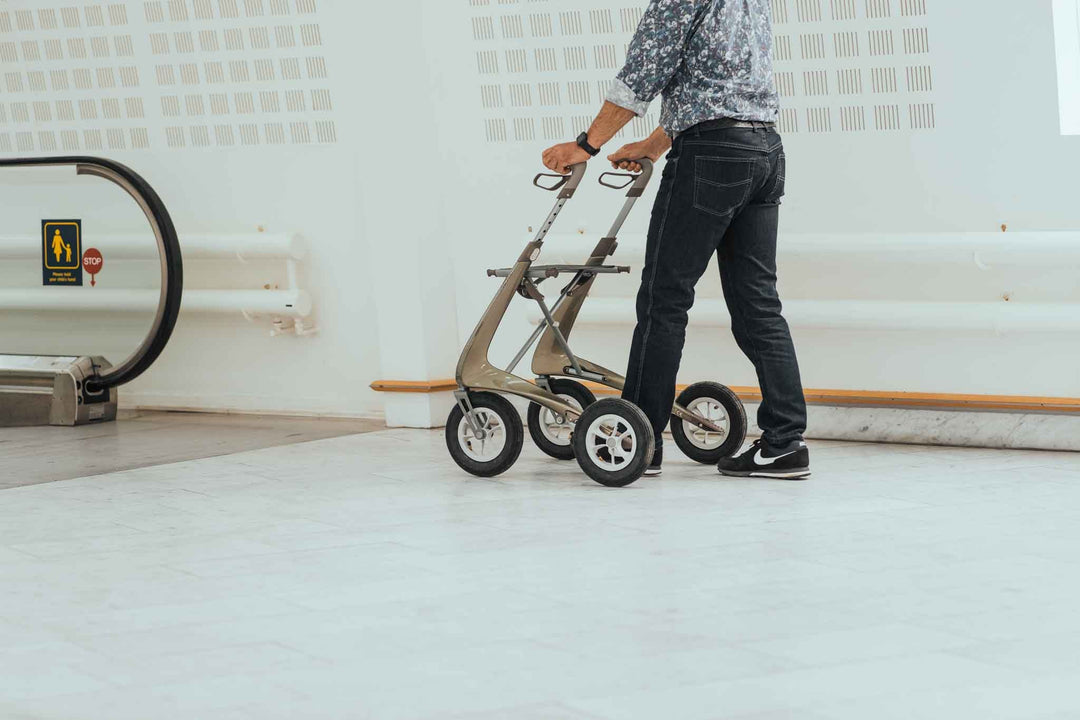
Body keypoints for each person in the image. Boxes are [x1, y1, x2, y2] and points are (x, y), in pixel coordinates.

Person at [541, 0, 810, 480]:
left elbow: (643, 73)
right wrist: (654, 144)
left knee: (664, 297)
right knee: (759, 305)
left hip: (710, 156)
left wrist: (585, 145)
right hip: (765, 151)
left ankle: (639, 442)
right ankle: (786, 444)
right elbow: (715, 84)